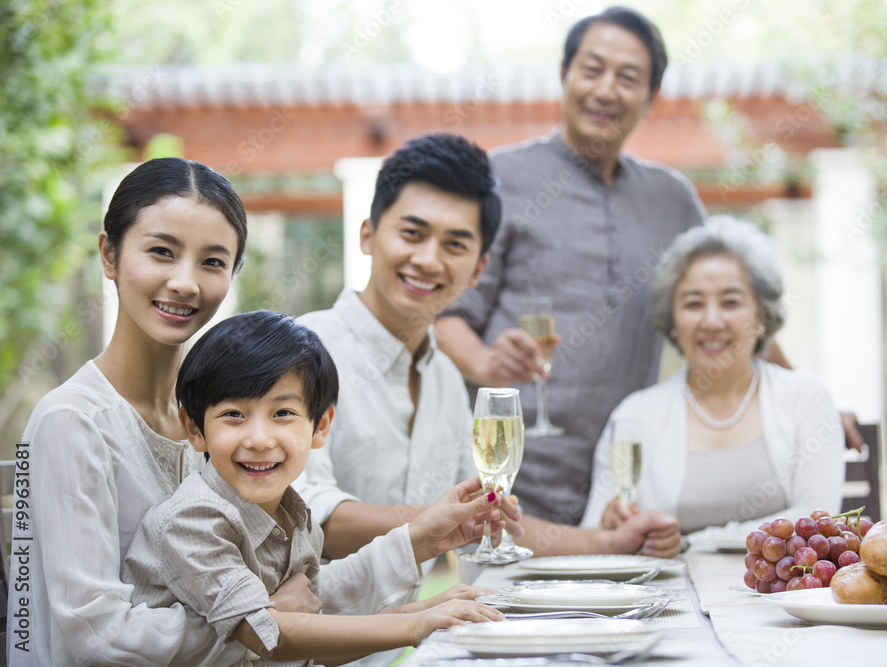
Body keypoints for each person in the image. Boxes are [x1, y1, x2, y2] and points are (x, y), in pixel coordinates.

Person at [6, 158, 495, 667]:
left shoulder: (226, 417)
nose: (185, 283)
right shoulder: (73, 420)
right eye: (160, 252)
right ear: (109, 253)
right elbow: (96, 636)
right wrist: (260, 622)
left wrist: (419, 542)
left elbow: (302, 598)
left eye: (212, 262)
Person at [293, 133, 680, 571]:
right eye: (412, 233)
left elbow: (485, 515)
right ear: (368, 235)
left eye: (455, 245)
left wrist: (611, 542)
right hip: (301, 635)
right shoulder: (301, 353)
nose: (428, 259)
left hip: (404, 640)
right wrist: (442, 520)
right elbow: (304, 513)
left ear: (478, 268)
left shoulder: (444, 379)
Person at [435, 6, 707, 526]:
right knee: (497, 611)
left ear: (651, 98)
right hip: (507, 479)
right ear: (563, 76)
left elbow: (735, 309)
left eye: (629, 77)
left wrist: (806, 397)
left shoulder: (673, 200)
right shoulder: (499, 179)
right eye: (592, 69)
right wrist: (488, 363)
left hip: (626, 479)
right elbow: (445, 316)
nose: (607, 90)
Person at [122, 311, 502, 666]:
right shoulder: (195, 518)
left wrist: (428, 610)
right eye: (233, 415)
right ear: (194, 428)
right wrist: (412, 626)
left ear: (320, 426)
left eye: (282, 413)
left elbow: (316, 625)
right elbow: (268, 636)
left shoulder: (295, 514)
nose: (258, 439)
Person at [580, 216, 845, 542]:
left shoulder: (807, 397)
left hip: (779, 592)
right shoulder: (633, 415)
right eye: (693, 304)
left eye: (731, 302)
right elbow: (594, 532)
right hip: (667, 593)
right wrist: (611, 523)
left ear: (761, 316)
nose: (712, 321)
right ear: (673, 321)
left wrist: (694, 543)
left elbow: (817, 519)